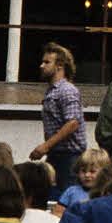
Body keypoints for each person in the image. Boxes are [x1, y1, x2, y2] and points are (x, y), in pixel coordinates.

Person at [29, 42, 85, 192]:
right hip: (57, 154)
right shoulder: (52, 91)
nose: (42, 66)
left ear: (60, 66)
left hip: (69, 157)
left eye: (47, 62)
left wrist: (45, 146)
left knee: (66, 197)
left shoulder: (67, 90)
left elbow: (73, 123)